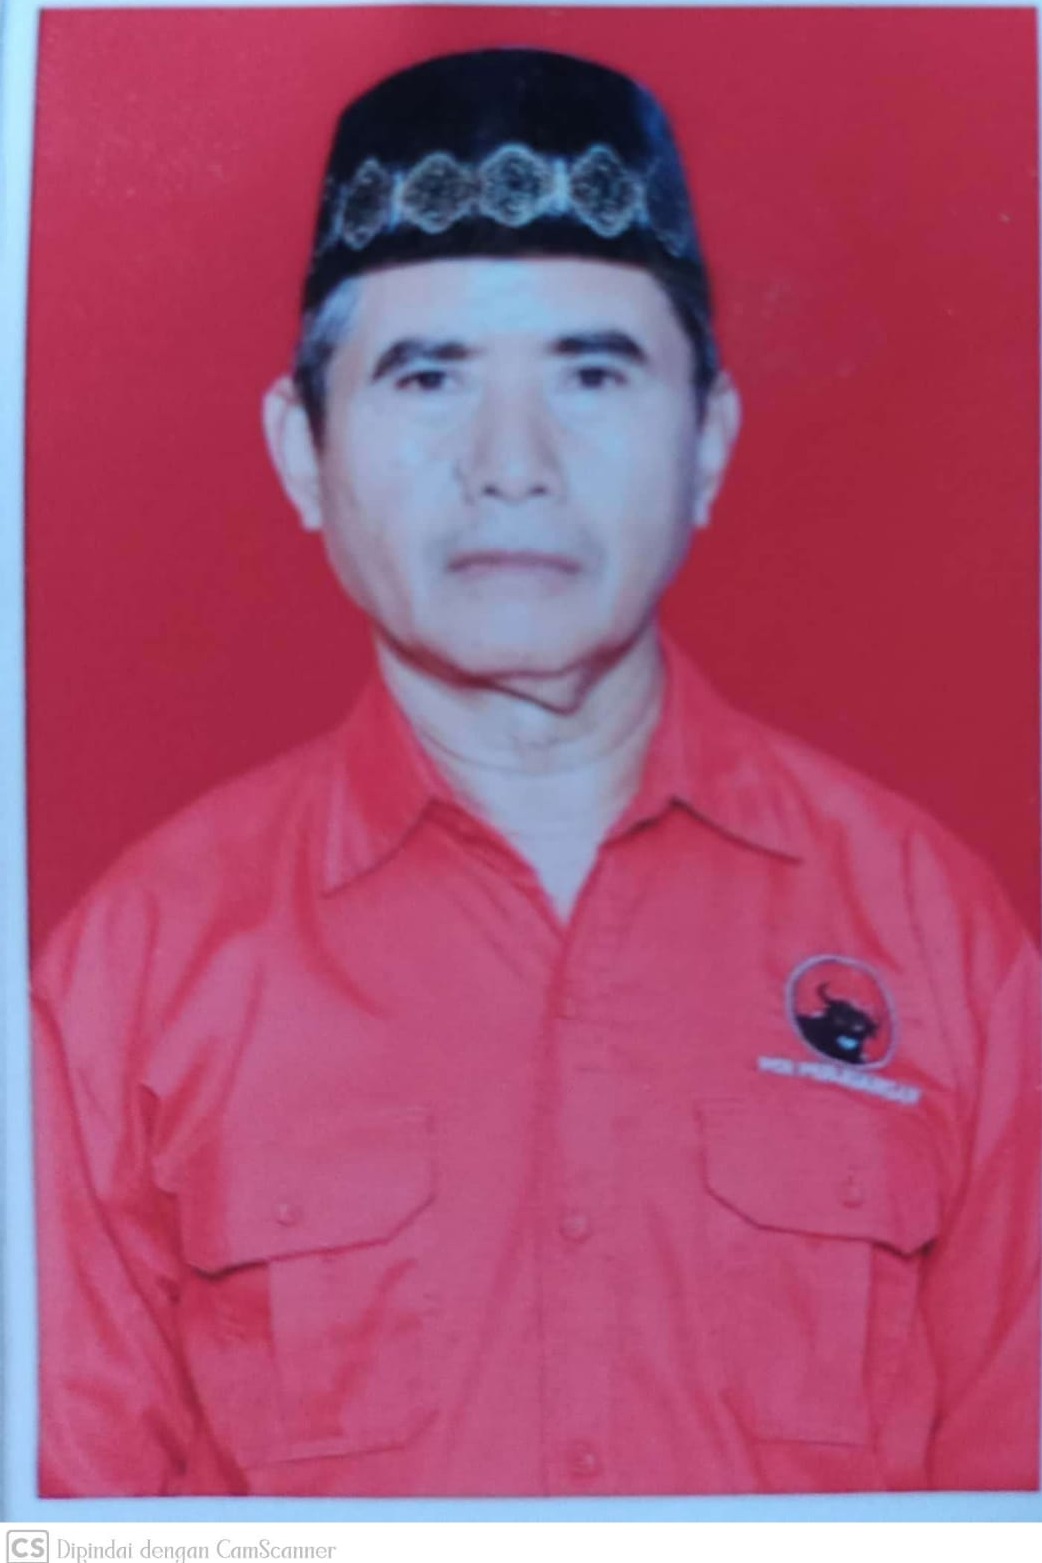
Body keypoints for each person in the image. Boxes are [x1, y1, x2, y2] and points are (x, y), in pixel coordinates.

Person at [33, 47, 1039, 1499]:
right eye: (429, 376)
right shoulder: (135, 973)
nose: (513, 464)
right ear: (303, 452)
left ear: (708, 441)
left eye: (591, 373)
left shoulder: (937, 936)